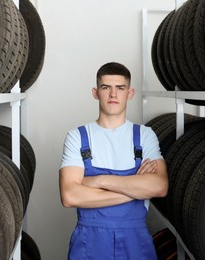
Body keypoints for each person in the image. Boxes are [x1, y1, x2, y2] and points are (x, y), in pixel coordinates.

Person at [59, 62, 168, 260]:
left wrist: (98, 181)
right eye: (105, 87)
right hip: (89, 242)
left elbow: (159, 186)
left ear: (130, 93)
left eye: (120, 88)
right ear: (95, 93)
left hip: (135, 241)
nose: (113, 94)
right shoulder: (77, 136)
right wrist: (134, 190)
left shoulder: (144, 136)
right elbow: (70, 196)